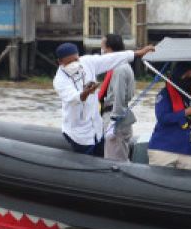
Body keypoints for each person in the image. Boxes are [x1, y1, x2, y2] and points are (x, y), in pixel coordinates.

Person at [53, 40, 153, 157]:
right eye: (70, 62)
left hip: (96, 127)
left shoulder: (87, 62)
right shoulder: (60, 81)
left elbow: (111, 58)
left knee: (102, 157)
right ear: (60, 62)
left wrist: (137, 53)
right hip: (78, 132)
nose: (75, 63)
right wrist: (86, 93)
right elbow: (74, 97)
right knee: (86, 160)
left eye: (76, 59)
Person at [147, 63, 191, 170]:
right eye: (186, 75)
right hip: (165, 149)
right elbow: (162, 118)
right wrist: (186, 112)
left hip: (189, 151)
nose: (189, 79)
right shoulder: (164, 95)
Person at [97, 33, 137, 162]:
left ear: (109, 48)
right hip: (112, 115)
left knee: (115, 161)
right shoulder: (118, 66)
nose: (101, 51)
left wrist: (114, 121)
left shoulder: (119, 68)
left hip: (116, 119)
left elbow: (119, 96)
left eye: (102, 47)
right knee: (112, 155)